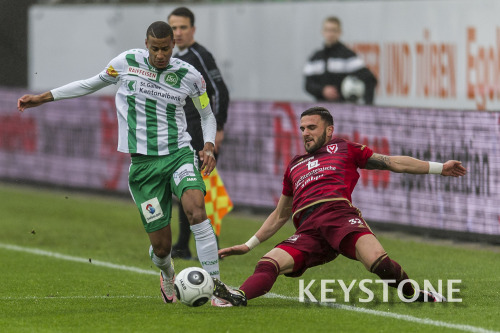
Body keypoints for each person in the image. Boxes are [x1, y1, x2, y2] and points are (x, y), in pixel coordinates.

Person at [17, 21, 232, 307]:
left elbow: (207, 114)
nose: (160, 55)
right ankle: (167, 272)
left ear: (173, 46)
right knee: (162, 247)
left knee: (196, 212)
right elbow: (90, 83)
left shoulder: (190, 76)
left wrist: (207, 146)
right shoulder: (126, 62)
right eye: (155, 48)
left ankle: (216, 289)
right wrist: (43, 98)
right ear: (146, 44)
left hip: (179, 154)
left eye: (165, 49)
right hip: (143, 167)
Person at [212, 106, 467, 306]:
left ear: (329, 130)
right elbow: (280, 214)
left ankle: (415, 294)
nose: (305, 133)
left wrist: (439, 168)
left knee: (379, 264)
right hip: (308, 231)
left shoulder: (344, 148)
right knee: (268, 263)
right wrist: (247, 246)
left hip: (339, 218)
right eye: (302, 128)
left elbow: (391, 162)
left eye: (312, 127)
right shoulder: (294, 165)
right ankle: (238, 296)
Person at [167, 7, 230, 260]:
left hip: (200, 132)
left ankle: (205, 243)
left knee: (195, 188)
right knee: (187, 187)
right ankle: (183, 244)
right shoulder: (171, 57)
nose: (178, 32)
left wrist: (219, 129)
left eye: (183, 27)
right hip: (183, 133)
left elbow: (221, 91)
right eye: (173, 28)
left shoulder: (200, 55)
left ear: (193, 29)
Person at [304, 17, 377, 104]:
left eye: (333, 30)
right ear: (322, 32)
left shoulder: (347, 56)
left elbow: (370, 79)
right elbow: (308, 84)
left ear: (339, 32)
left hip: (344, 108)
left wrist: (368, 105)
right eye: (327, 30)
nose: (330, 34)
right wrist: (322, 90)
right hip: (322, 110)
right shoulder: (315, 58)